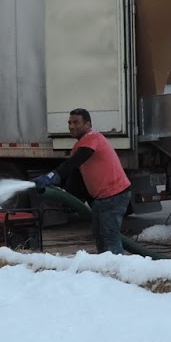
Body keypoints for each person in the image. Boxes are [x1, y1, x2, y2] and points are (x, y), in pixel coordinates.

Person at [32, 108, 134, 254]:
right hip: (102, 198)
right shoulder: (79, 146)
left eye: (76, 122)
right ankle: (105, 267)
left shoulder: (93, 138)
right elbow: (76, 175)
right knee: (100, 236)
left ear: (87, 124)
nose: (72, 126)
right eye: (69, 122)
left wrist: (53, 175)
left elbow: (75, 161)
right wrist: (69, 196)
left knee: (110, 237)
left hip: (114, 195)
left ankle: (118, 270)